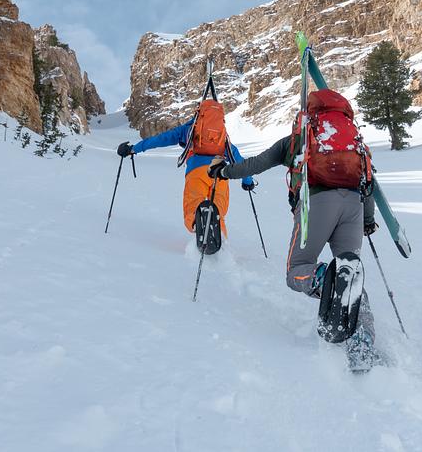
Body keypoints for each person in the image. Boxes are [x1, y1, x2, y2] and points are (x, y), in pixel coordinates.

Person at [207, 88, 380, 366]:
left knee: (296, 269)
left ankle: (323, 279)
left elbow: (256, 164)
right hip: (354, 207)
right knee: (351, 275)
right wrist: (368, 220)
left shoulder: (301, 138)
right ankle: (364, 340)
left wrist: (223, 171)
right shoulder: (355, 141)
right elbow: (368, 181)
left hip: (317, 204)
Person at [116, 108, 254, 247]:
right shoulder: (221, 136)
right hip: (220, 174)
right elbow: (239, 161)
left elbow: (160, 139)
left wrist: (133, 149)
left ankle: (199, 226)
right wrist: (247, 181)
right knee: (218, 212)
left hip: (196, 172)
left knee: (193, 209)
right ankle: (221, 245)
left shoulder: (188, 130)